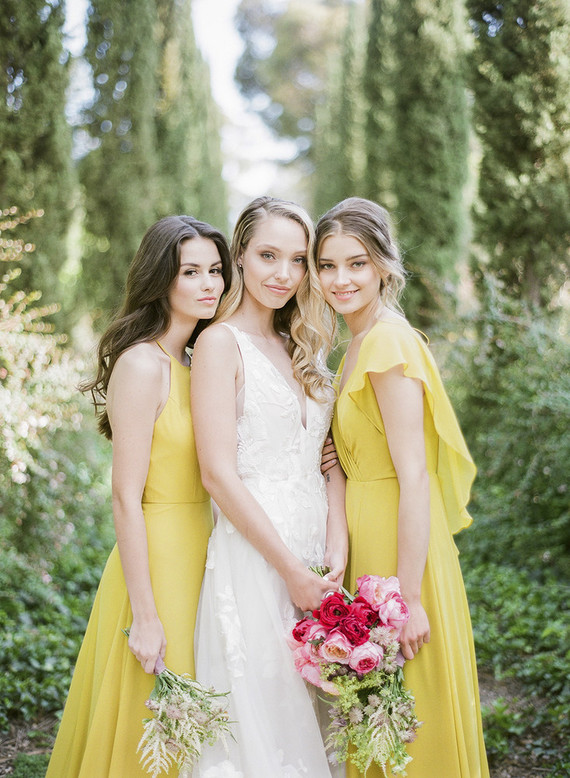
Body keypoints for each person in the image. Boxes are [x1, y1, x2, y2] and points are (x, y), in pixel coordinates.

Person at [46, 215, 231, 778]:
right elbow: (124, 496)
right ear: (160, 280)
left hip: (208, 547)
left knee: (201, 704)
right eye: (191, 272)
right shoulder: (142, 364)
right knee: (157, 710)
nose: (209, 285)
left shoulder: (197, 362)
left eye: (216, 271)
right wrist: (145, 615)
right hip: (158, 556)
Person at [314, 197, 490, 778]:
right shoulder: (356, 344)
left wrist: (409, 596)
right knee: (380, 709)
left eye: (357, 263)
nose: (341, 279)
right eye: (328, 264)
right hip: (368, 534)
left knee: (409, 707)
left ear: (385, 266)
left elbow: (414, 474)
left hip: (398, 545)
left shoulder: (387, 343)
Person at [191, 196, 348, 777]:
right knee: (264, 716)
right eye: (268, 255)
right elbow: (216, 474)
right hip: (258, 557)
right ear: (239, 256)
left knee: (316, 717)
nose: (285, 274)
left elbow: (326, 459)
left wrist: (337, 541)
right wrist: (289, 570)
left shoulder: (302, 347)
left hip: (318, 555)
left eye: (299, 260)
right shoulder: (218, 344)